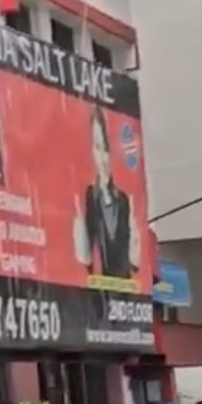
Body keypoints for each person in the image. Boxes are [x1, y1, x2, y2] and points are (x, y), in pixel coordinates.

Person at [73, 105, 140, 280]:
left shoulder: (124, 200)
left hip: (126, 289)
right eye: (97, 147)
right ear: (92, 152)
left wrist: (135, 233)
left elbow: (135, 263)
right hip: (102, 289)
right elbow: (85, 259)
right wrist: (79, 226)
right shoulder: (89, 196)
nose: (103, 157)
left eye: (106, 148)